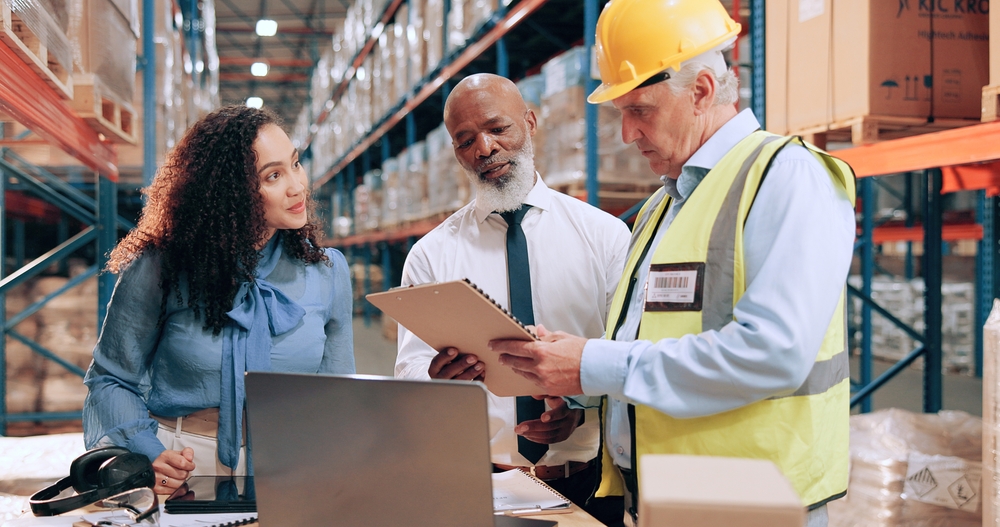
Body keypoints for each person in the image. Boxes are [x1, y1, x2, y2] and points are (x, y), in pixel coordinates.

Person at [490, 1, 856, 526]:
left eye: (640, 109)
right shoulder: (662, 208)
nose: (627, 134)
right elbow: (656, 343)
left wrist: (592, 363)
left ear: (702, 91)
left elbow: (774, 353)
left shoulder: (787, 178)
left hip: (754, 506)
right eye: (622, 113)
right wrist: (582, 398)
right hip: (663, 502)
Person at [83, 105, 355, 496]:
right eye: (273, 176)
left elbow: (339, 393)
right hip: (181, 464)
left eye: (295, 165)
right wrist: (148, 453)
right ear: (230, 192)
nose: (297, 186)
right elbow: (110, 378)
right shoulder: (161, 267)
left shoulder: (328, 272)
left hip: (290, 463)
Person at [394, 73, 630, 525]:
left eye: (497, 128)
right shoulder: (431, 256)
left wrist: (580, 407)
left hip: (589, 482)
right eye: (465, 141)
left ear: (531, 122)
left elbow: (627, 356)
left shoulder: (603, 236)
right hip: (479, 485)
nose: (484, 149)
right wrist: (435, 378)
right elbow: (408, 367)